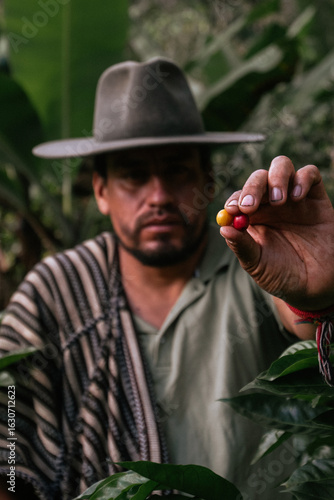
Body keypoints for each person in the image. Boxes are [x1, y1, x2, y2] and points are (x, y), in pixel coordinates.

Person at [0, 57, 333, 500]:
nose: (158, 196)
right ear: (101, 190)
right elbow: (6, 428)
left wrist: (319, 294)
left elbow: (304, 319)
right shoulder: (56, 291)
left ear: (208, 180)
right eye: (134, 176)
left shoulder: (256, 259)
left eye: (176, 171)